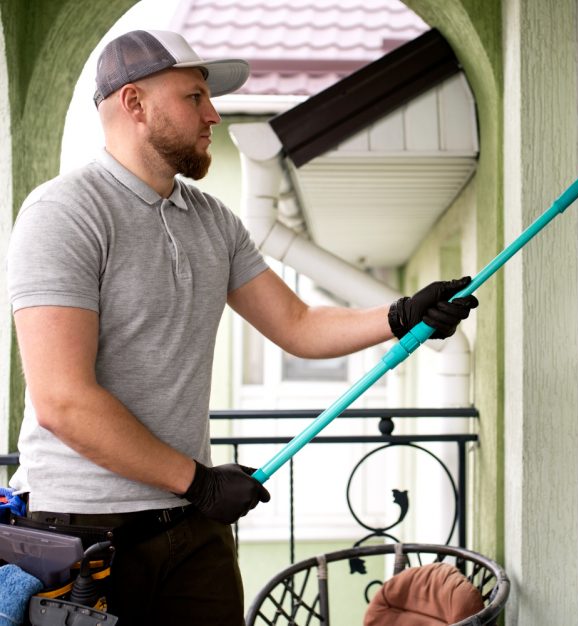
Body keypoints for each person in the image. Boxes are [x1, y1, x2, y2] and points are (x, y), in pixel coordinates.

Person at [5, 30, 477, 626]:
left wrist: (401, 315)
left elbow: (299, 325)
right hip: (87, 535)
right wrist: (198, 482)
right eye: (195, 97)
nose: (214, 115)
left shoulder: (212, 220)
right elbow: (63, 402)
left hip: (191, 529)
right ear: (134, 104)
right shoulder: (65, 214)